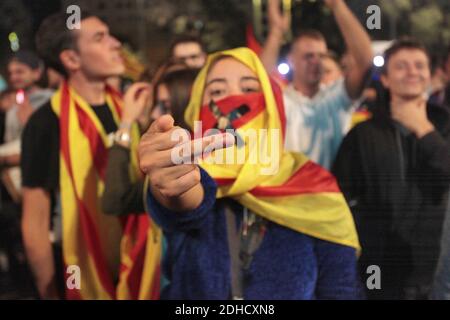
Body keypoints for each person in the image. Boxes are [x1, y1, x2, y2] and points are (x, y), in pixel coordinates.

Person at [139, 47, 362, 299]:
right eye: (217, 92)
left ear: (272, 104)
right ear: (196, 108)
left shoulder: (313, 183)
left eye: (248, 89)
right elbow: (183, 202)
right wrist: (172, 178)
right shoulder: (194, 172)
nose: (234, 98)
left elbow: (341, 290)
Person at [21, 12, 160, 300]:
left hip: (138, 258)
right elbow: (35, 220)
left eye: (109, 35)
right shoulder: (46, 123)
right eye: (100, 38)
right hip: (82, 269)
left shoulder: (126, 107)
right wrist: (49, 292)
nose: (115, 44)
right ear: (71, 60)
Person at [332, 39, 450, 299]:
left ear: (429, 76)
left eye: (419, 66)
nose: (412, 72)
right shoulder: (363, 134)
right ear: (385, 79)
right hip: (378, 272)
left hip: (436, 272)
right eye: (401, 66)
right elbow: (339, 198)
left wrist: (424, 129)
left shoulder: (444, 125)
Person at [260, 0, 373, 169]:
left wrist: (337, 5)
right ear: (291, 59)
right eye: (308, 56)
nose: (316, 61)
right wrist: (276, 32)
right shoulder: (280, 99)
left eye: (321, 55)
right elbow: (259, 80)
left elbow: (364, 62)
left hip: (330, 192)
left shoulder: (336, 97)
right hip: (286, 193)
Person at [102, 66, 199, 216]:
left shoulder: (188, 164)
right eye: (154, 105)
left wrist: (126, 123)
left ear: (188, 107)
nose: (154, 114)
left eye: (165, 106)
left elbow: (115, 201)